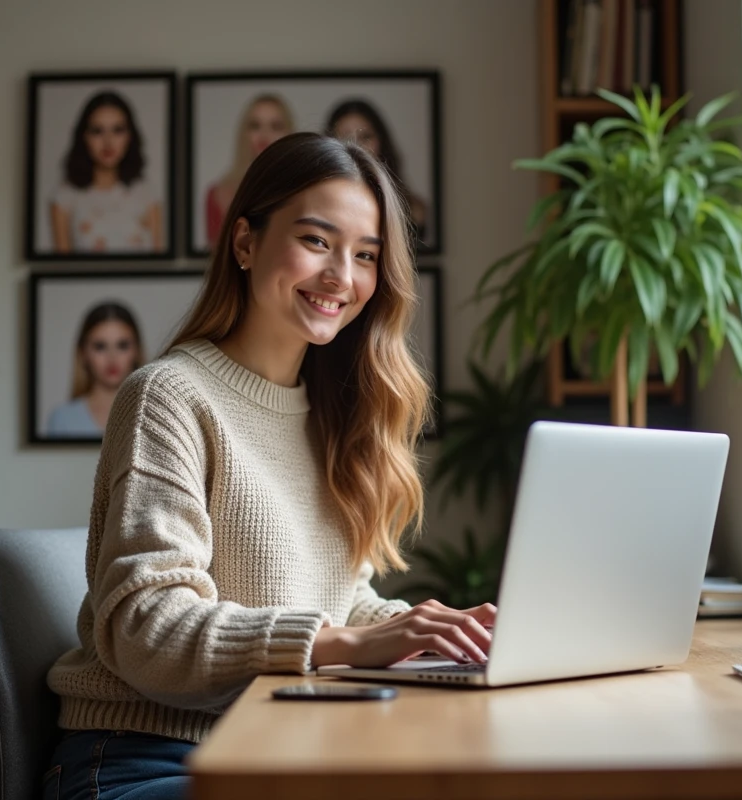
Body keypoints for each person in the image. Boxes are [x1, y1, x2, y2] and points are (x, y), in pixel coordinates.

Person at [42, 132, 496, 800]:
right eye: (317, 241)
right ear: (246, 243)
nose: (343, 276)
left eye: (366, 255)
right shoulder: (169, 396)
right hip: (145, 760)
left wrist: (439, 636)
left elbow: (339, 604)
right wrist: (340, 643)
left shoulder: (336, 415)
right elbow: (146, 629)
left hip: (275, 751)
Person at [49, 90, 163, 254]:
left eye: (117, 130)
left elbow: (157, 266)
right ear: (84, 136)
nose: (108, 142)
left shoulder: (147, 193)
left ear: (130, 136)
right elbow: (62, 272)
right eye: (97, 131)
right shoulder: (64, 197)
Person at [324, 98, 428, 242]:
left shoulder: (414, 210)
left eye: (365, 137)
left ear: (381, 141)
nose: (357, 146)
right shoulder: (319, 205)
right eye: (345, 137)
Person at [203, 93, 294, 248]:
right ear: (244, 133)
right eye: (255, 126)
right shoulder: (219, 193)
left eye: (275, 126)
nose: (264, 135)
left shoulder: (305, 189)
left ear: (288, 132)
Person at [46, 302, 145, 438]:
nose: (112, 358)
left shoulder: (153, 415)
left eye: (122, 345)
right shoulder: (62, 419)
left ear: (137, 351)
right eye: (100, 346)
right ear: (83, 353)